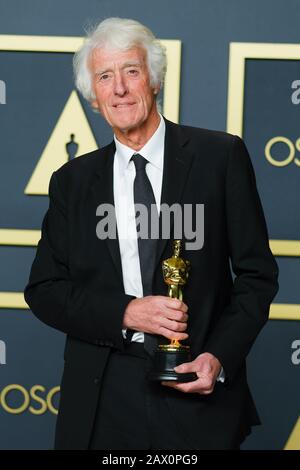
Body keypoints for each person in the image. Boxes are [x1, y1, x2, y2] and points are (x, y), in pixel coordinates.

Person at [24, 17, 279, 450]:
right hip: (103, 396)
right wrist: (126, 312)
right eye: (105, 76)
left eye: (131, 71)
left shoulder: (220, 157)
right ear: (94, 96)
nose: (119, 88)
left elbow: (257, 277)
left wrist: (218, 359)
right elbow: (45, 290)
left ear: (154, 80)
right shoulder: (72, 181)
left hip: (195, 391)